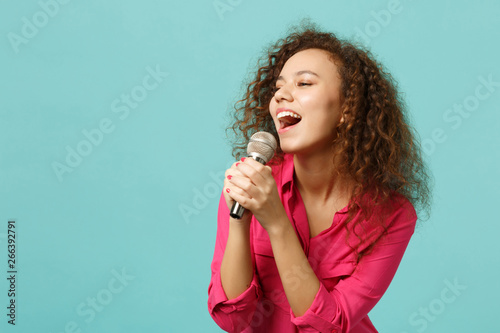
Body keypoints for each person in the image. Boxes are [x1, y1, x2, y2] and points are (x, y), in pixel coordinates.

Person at [207, 22, 431, 333]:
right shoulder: (252, 183)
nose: (282, 95)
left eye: (304, 84)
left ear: (347, 109)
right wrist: (239, 220)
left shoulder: (392, 215)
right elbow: (233, 319)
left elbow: (328, 326)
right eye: (278, 87)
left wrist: (276, 222)